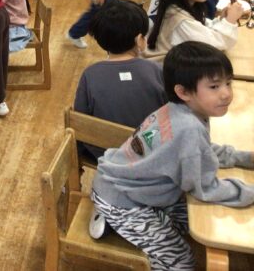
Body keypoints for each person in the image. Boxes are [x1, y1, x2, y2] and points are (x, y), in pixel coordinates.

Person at [91, 42, 254, 271]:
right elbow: (204, 188)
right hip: (123, 200)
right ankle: (112, 220)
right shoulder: (189, 127)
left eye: (228, 82)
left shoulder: (179, 109)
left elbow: (200, 151)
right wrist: (249, 192)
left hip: (125, 183)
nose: (226, 93)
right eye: (214, 86)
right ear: (183, 92)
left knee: (193, 219)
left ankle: (120, 224)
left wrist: (244, 158)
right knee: (182, 261)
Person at [74, 0, 166, 160]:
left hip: (104, 153)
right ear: (140, 40)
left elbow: (81, 120)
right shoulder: (157, 70)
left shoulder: (90, 74)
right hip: (151, 152)